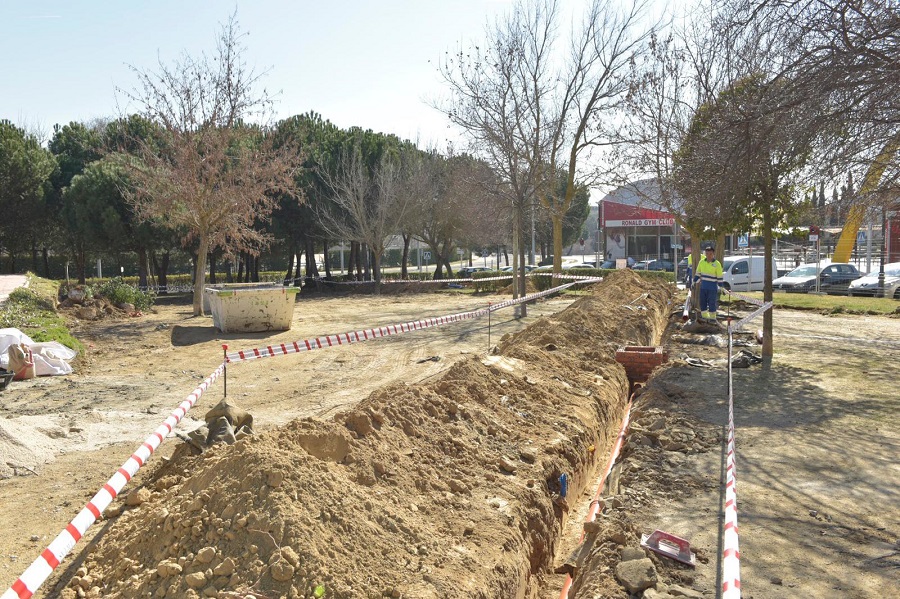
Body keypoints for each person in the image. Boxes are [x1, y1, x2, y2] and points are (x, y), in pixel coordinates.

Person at [694, 245, 724, 323]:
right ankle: (704, 318)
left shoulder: (717, 264)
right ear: (705, 254)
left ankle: (712, 319)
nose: (708, 256)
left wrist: (721, 287)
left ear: (713, 254)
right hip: (703, 287)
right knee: (702, 303)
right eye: (707, 254)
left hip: (712, 288)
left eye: (710, 254)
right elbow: (698, 274)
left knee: (712, 303)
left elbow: (720, 277)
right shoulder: (701, 262)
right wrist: (694, 282)